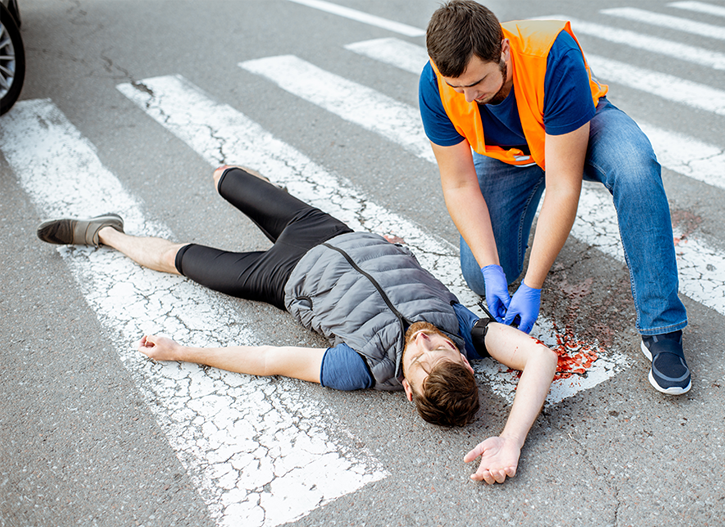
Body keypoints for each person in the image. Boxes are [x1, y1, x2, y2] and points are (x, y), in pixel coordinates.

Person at [37, 165, 556, 484]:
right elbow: (539, 357)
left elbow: (270, 361)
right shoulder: (468, 329)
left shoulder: (361, 368)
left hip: (283, 275)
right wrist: (510, 439)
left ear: (406, 392)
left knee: (182, 259)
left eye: (416, 363)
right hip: (327, 231)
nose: (421, 343)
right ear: (463, 356)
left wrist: (183, 351)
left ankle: (104, 234)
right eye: (436, 349)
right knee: (226, 176)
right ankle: (261, 191)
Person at [419, 0, 690, 395]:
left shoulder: (553, 56)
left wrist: (533, 285)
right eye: (457, 87)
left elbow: (564, 182)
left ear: (504, 53)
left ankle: (662, 327)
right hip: (510, 155)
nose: (467, 97)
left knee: (636, 169)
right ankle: (508, 258)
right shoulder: (436, 82)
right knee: (480, 274)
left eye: (478, 84)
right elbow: (459, 184)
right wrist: (495, 270)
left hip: (575, 126)